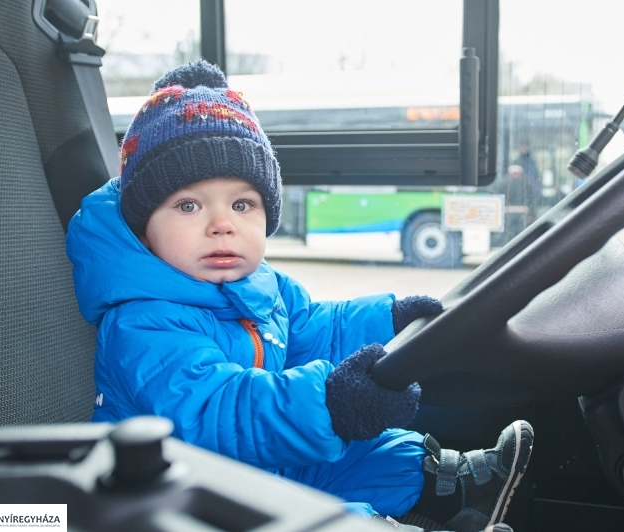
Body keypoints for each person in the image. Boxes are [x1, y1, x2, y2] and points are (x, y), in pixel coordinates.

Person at [66, 60, 533, 532]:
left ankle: (451, 487)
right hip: (187, 492)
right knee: (328, 516)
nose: (222, 223)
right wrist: (329, 405)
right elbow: (216, 411)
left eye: (242, 204)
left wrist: (389, 321)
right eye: (189, 206)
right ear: (144, 230)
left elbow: (312, 329)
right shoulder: (143, 322)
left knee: (369, 448)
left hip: (256, 458)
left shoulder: (258, 283)